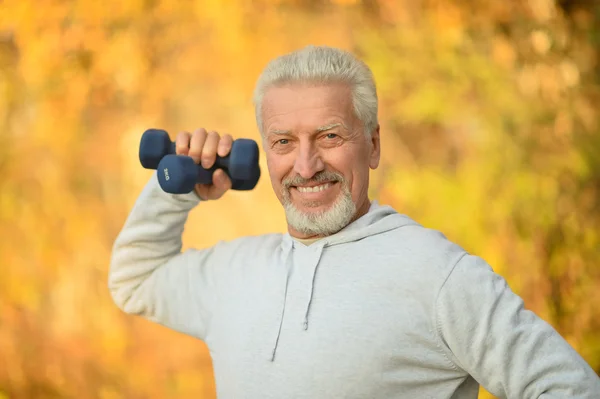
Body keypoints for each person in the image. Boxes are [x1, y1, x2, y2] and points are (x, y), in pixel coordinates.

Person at [108, 45, 600, 398]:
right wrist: (176, 188)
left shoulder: (437, 274)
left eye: (329, 136)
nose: (305, 166)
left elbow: (568, 388)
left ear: (374, 145)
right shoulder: (237, 272)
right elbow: (135, 282)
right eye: (283, 142)